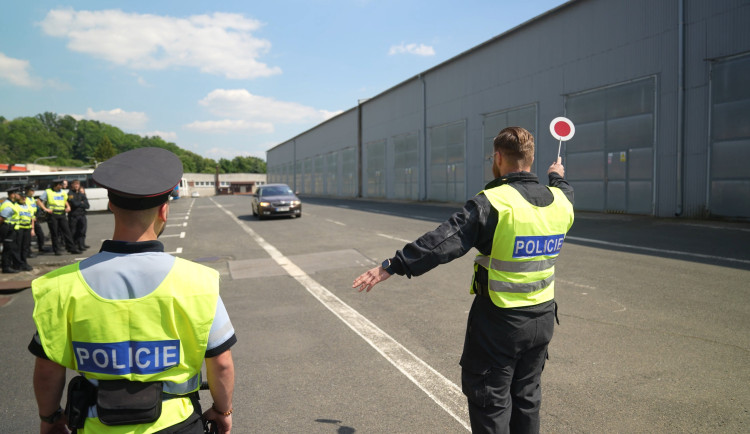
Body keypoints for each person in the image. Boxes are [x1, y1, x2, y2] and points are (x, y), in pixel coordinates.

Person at [352, 127, 574, 434]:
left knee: (491, 402)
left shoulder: (492, 202)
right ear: (531, 158)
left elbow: (443, 241)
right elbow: (565, 191)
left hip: (500, 320)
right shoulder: (561, 201)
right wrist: (557, 177)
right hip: (543, 318)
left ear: (498, 157)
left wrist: (394, 265)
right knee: (527, 399)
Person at [29, 147, 236, 434]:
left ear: (112, 206)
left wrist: (50, 419)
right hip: (178, 423)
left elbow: (48, 369)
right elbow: (221, 363)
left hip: (95, 425)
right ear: (164, 209)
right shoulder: (199, 281)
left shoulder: (60, 286)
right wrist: (223, 411)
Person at [36, 179, 80, 255]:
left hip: (62, 214)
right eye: (60, 185)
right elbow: (39, 201)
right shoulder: (48, 191)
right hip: (53, 215)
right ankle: (56, 250)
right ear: (55, 185)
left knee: (67, 232)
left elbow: (65, 200)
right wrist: (45, 209)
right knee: (54, 233)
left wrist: (68, 206)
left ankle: (71, 248)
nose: (61, 186)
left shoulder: (63, 192)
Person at [1, 187, 24, 273]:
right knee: (7, 248)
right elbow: (1, 218)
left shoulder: (13, 203)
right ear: (12, 195)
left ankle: (10, 265)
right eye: (17, 194)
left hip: (11, 228)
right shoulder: (8, 205)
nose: (19, 196)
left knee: (11, 248)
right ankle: (6, 267)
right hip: (7, 228)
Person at [13, 185, 35, 271]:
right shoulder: (16, 206)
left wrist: (32, 229)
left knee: (25, 247)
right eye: (22, 197)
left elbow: (32, 218)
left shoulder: (29, 207)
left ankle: (24, 262)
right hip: (19, 229)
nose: (24, 198)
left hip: (27, 228)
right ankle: (18, 264)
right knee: (18, 247)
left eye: (24, 197)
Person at [25, 185, 49, 255]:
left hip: (34, 218)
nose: (33, 192)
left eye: (33, 190)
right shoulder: (25, 199)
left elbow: (35, 207)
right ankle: (28, 251)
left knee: (40, 234)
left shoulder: (32, 198)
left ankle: (41, 248)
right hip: (28, 219)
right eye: (31, 190)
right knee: (28, 237)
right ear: (27, 190)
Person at [67, 179, 90, 251]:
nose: (77, 186)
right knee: (73, 232)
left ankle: (81, 245)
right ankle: (73, 246)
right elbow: (74, 204)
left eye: (78, 184)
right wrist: (81, 203)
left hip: (82, 215)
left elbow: (87, 206)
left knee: (82, 231)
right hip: (74, 216)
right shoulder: (70, 194)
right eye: (75, 184)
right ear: (72, 185)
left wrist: (80, 203)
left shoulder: (81, 194)